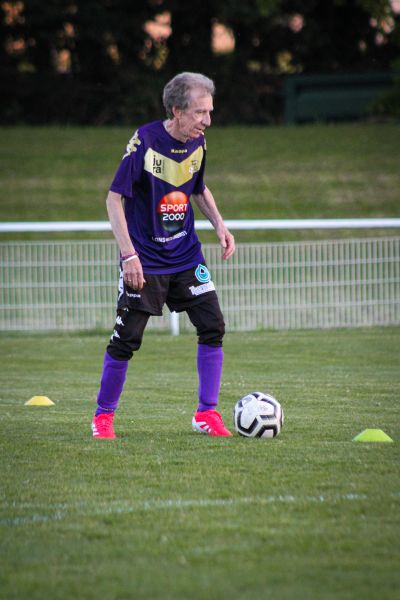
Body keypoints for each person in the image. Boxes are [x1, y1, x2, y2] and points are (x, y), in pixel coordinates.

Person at [91, 72, 235, 439]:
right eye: (200, 112)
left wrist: (220, 225)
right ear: (176, 110)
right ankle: (103, 417)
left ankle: (206, 413)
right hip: (146, 260)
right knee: (127, 339)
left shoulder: (198, 143)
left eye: (210, 112)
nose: (207, 120)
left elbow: (198, 188)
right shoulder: (145, 141)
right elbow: (114, 199)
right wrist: (129, 256)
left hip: (186, 256)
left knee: (213, 326)